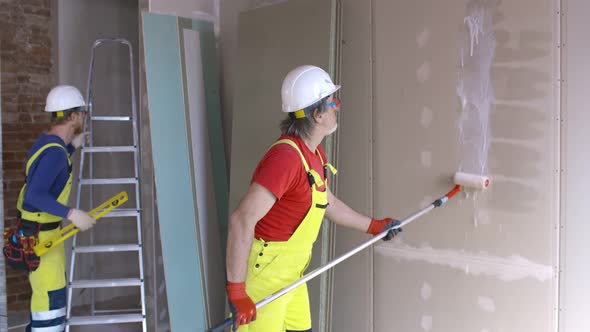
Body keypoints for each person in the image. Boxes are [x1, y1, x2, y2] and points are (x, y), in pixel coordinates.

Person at [225, 65, 402, 331]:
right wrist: (237, 291)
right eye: (333, 102)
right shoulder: (286, 159)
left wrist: (374, 226)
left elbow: (326, 202)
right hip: (265, 278)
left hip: (292, 275)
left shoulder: (314, 155)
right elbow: (241, 219)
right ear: (318, 114)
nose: (338, 107)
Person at [17, 85, 96, 331]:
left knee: (46, 299)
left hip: (40, 233)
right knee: (50, 307)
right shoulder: (55, 154)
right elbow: (35, 194)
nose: (84, 116)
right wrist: (72, 214)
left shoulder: (49, 144)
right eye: (82, 112)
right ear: (72, 117)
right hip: (43, 239)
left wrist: (73, 146)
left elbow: (49, 173)